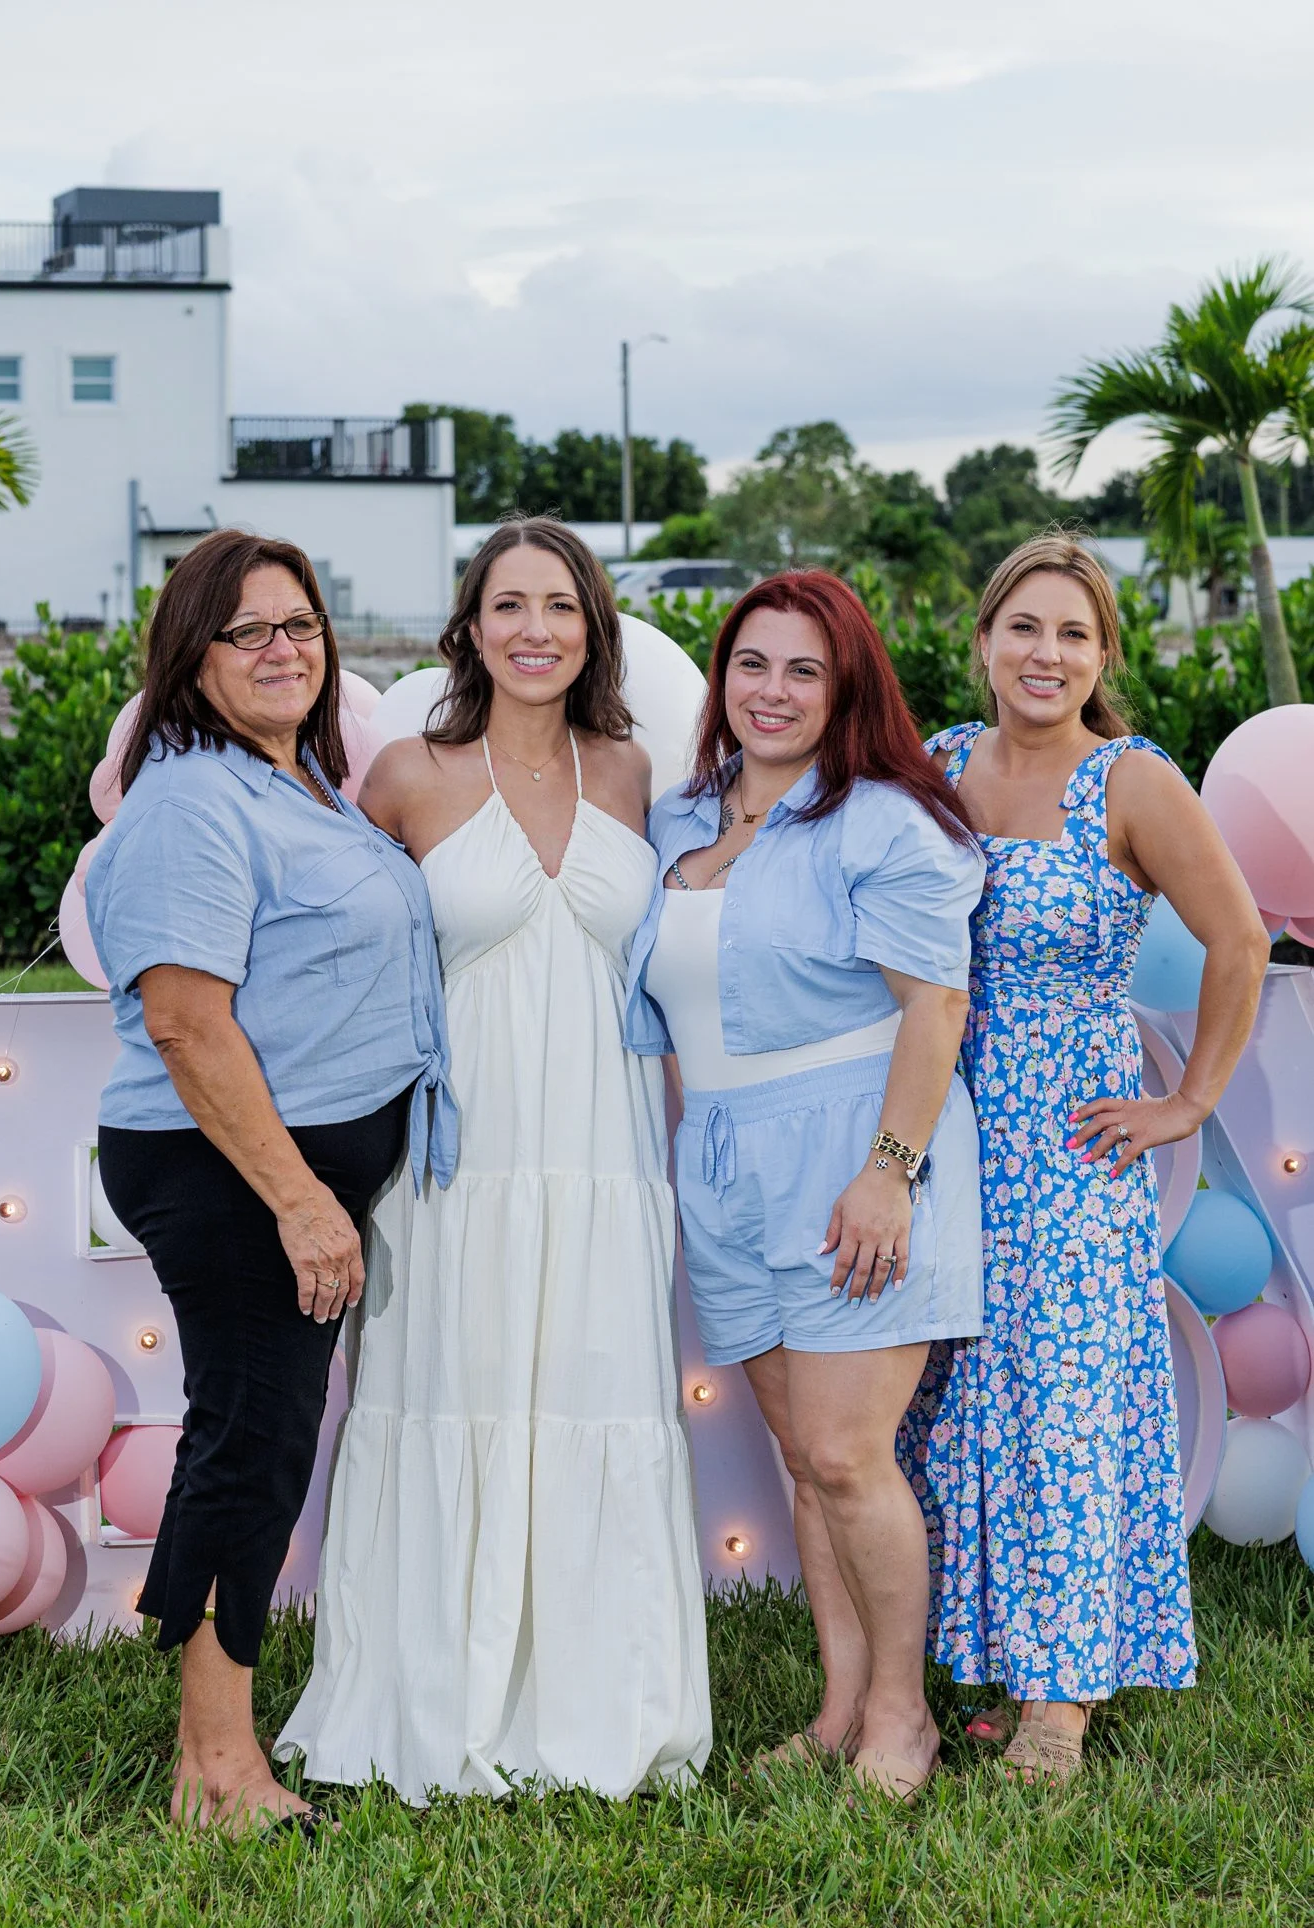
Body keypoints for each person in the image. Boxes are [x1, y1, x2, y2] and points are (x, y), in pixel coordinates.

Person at [277, 516, 711, 1804]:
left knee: (597, 1394)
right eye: (509, 604)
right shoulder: (409, 772)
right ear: (468, 626)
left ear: (595, 628)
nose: (536, 629)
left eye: (561, 605)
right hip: (454, 1164)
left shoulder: (634, 772)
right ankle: (437, 1697)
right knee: (445, 1396)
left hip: (607, 1151)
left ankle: (598, 1705)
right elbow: (336, 955)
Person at [87, 530, 455, 1837]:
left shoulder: (294, 785)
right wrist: (302, 1200)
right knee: (255, 1443)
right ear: (191, 658)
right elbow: (189, 1025)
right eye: (250, 632)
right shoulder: (191, 802)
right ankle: (219, 1771)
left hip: (279, 1168)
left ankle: (206, 1732)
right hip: (231, 1169)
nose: (285, 649)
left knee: (244, 1436)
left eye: (301, 625)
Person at [909, 531, 1268, 1783]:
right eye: (1024, 628)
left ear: (1102, 653)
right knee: (966, 1394)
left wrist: (1190, 1101)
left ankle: (1065, 1694)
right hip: (951, 1127)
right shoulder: (943, 761)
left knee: (1063, 1397)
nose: (1044, 653)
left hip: (1071, 1134)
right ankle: (1002, 1653)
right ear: (984, 640)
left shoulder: (1131, 779)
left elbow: (1239, 939)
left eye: (1072, 633)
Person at [623, 569, 986, 1803]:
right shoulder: (680, 820)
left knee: (846, 1450)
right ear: (720, 678)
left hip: (852, 1151)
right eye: (751, 664)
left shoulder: (886, 821)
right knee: (795, 1453)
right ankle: (838, 1704)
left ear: (846, 690)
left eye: (803, 670)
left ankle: (903, 1713)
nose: (771, 692)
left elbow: (936, 1007)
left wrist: (890, 1175)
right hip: (721, 1159)